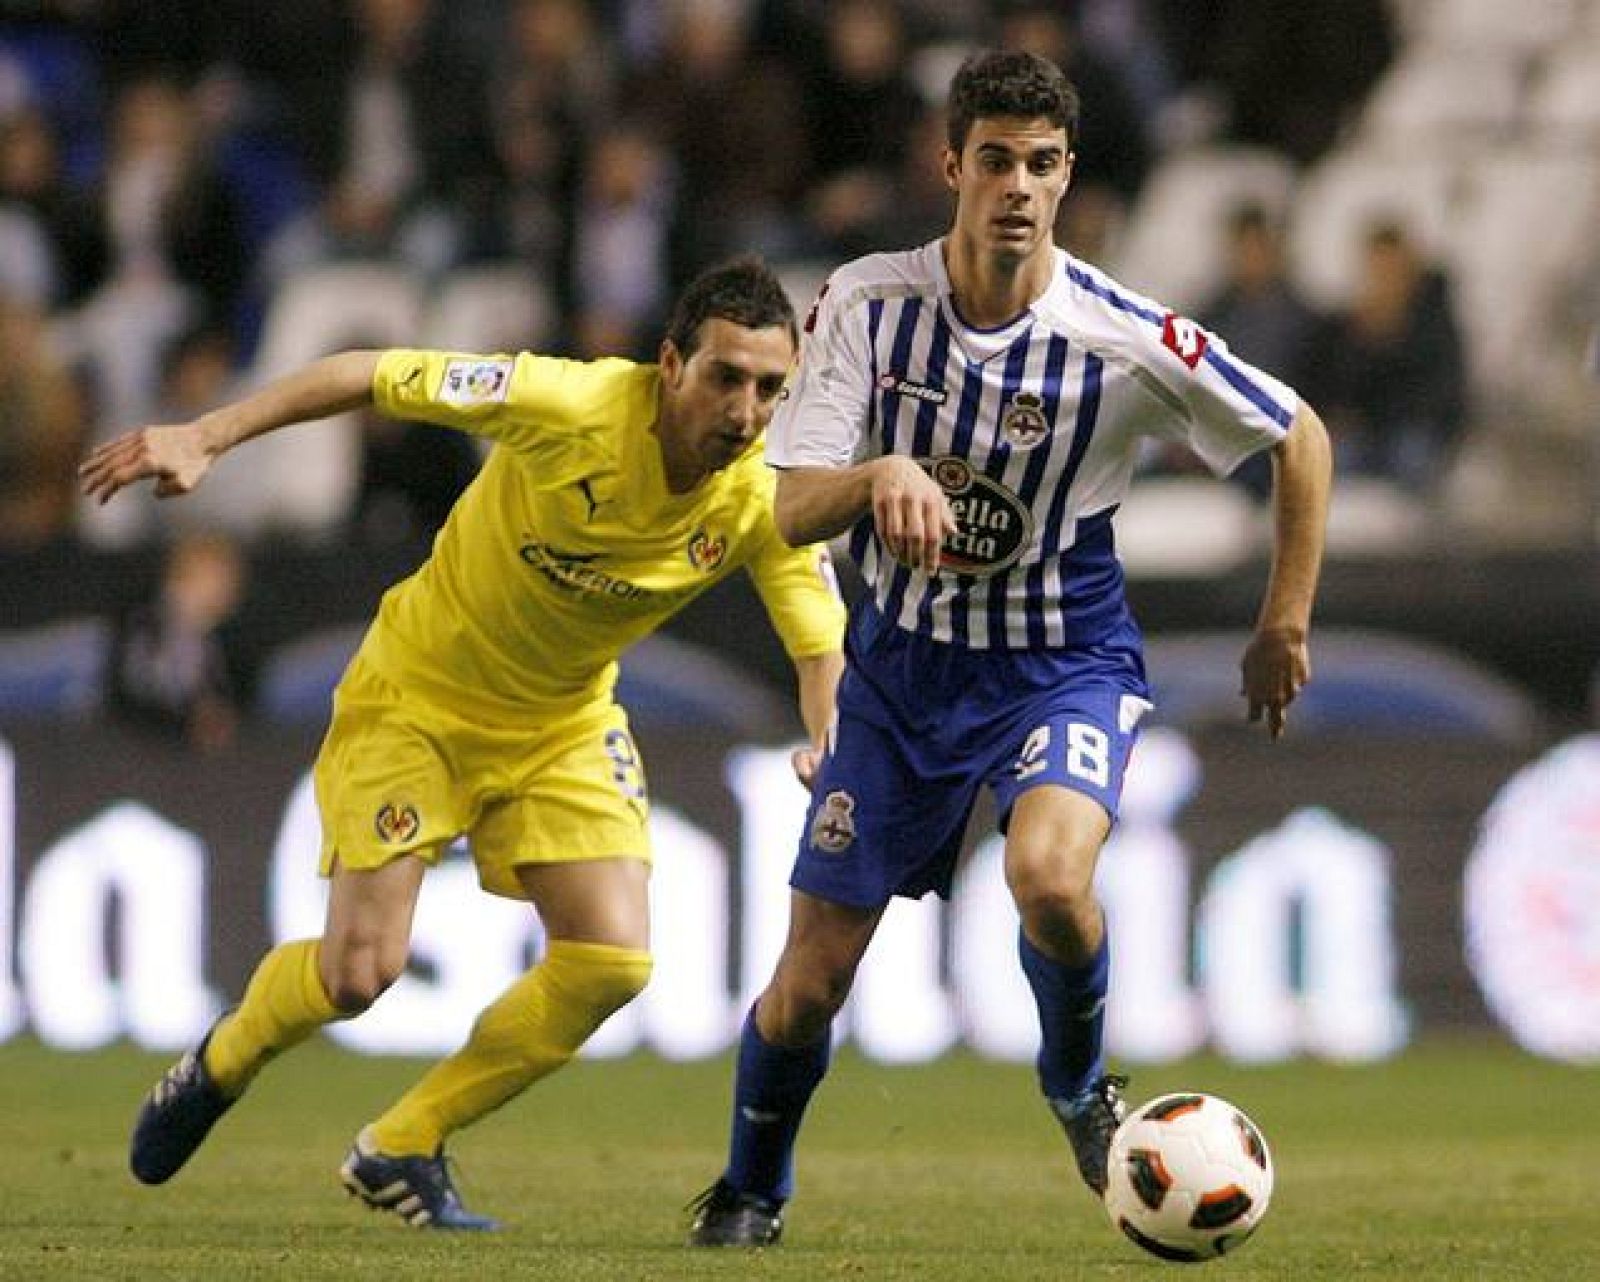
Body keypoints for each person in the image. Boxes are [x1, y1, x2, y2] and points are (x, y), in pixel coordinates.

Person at [686, 50, 1331, 1248]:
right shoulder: (868, 306)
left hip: (1062, 662)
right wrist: (881, 472)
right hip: (896, 675)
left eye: (1041, 163)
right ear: (951, 167)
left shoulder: (1119, 334)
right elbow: (785, 509)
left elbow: (1298, 435)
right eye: (995, 161)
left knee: (1048, 876)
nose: (1018, 186)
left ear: (1067, 175)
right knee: (809, 981)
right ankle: (750, 1190)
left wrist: (1282, 619)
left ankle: (1081, 1088)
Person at [79, 256, 846, 1230]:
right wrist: (206, 434)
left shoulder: (765, 497)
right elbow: (367, 371)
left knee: (611, 960)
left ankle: (402, 1141)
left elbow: (818, 645)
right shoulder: (562, 401)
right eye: (725, 377)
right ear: (668, 365)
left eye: (768, 387)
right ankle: (224, 1058)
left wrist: (831, 743)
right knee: (360, 973)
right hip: (421, 699)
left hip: (562, 719)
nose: (745, 410)